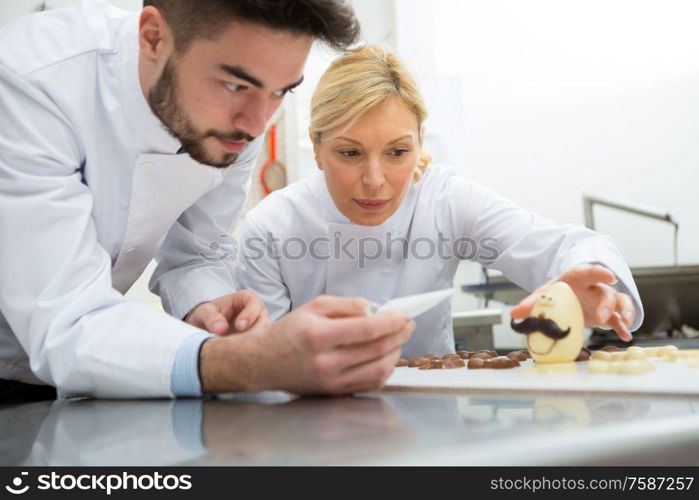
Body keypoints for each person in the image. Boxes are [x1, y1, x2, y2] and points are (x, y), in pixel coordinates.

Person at [0, 0, 414, 400]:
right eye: (235, 84)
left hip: (63, 379)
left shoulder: (238, 121)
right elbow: (66, 322)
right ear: (154, 37)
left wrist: (210, 307)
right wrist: (249, 361)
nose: (256, 124)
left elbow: (198, 254)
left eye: (281, 92)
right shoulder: (30, 82)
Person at [239, 45, 644, 358]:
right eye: (350, 154)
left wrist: (590, 285)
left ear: (419, 142)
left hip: (433, 432)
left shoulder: (442, 200)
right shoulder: (273, 227)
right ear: (316, 146)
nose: (375, 181)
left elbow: (567, 245)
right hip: (311, 441)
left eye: (397, 153)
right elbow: (260, 369)